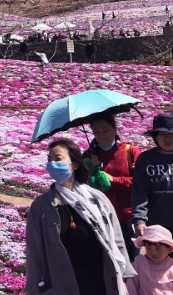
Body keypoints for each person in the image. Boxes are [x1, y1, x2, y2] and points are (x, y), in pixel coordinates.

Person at [26, 138, 135, 295]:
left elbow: (117, 239)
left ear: (75, 164)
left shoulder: (97, 199)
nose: (52, 164)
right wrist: (33, 287)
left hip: (100, 279)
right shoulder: (41, 206)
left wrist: (122, 279)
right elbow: (34, 251)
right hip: (62, 281)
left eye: (58, 159)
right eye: (49, 160)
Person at [82, 115, 142, 262]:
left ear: (114, 130)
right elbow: (80, 186)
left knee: (132, 262)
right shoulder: (88, 156)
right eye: (96, 131)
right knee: (106, 263)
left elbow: (140, 184)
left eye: (105, 130)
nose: (101, 135)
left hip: (126, 218)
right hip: (100, 218)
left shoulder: (130, 151)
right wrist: (89, 167)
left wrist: (113, 180)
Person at [131, 114, 173, 239]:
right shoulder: (146, 159)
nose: (167, 139)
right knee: (159, 258)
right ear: (155, 137)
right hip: (156, 224)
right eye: (162, 134)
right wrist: (139, 219)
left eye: (171, 134)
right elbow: (139, 192)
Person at [126, 225, 173, 294]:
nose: (153, 253)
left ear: (169, 249)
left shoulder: (171, 266)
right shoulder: (138, 264)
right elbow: (131, 287)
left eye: (158, 249)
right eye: (149, 248)